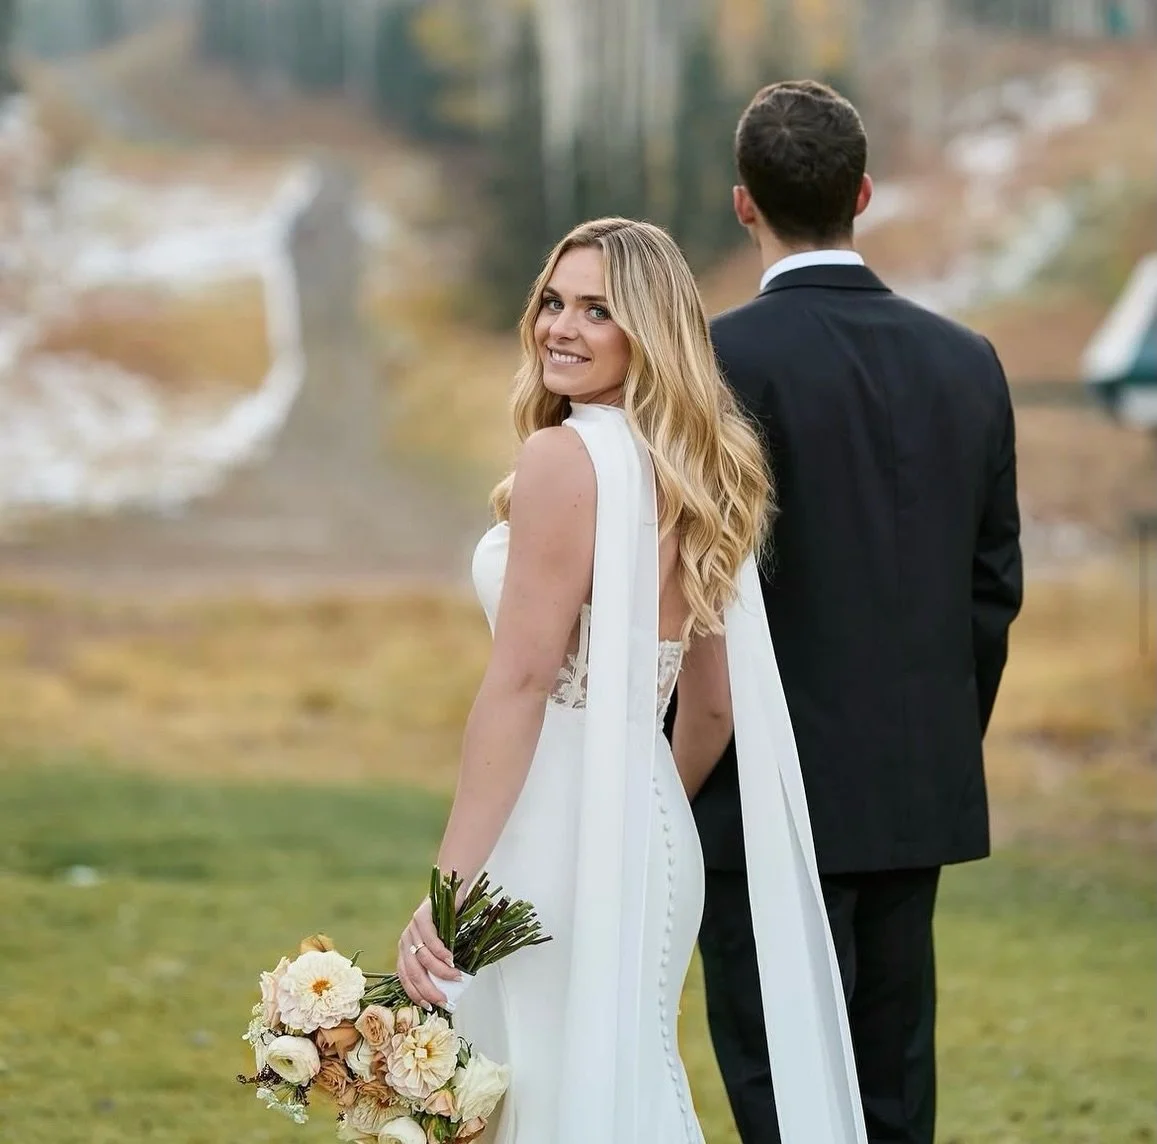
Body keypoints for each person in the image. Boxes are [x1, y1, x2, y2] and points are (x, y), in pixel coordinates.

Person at [395, 217, 869, 1144]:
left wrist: (451, 887)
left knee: (530, 1095)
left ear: (644, 333)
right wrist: (646, 801)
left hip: (549, 832)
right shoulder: (698, 470)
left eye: (596, 311)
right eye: (552, 302)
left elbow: (523, 681)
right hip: (652, 832)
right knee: (628, 1081)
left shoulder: (561, 458)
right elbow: (715, 703)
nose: (559, 329)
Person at [691, 81, 1024, 1144]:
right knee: (892, 1094)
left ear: (743, 204)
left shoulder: (712, 362)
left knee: (781, 1092)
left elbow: (683, 589)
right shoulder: (965, 362)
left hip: (755, 795)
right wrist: (928, 741)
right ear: (863, 194)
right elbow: (990, 584)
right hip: (909, 789)